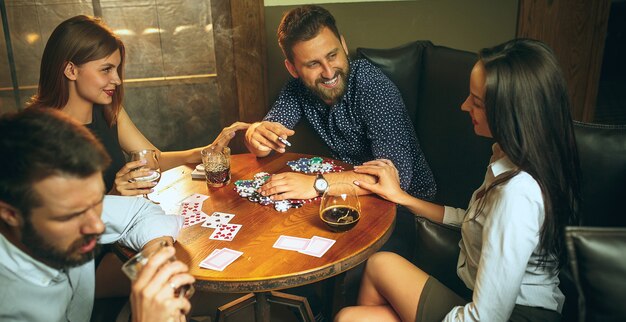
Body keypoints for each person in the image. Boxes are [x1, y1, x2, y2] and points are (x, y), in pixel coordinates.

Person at [334, 39, 581, 322]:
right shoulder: (510, 154)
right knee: (361, 297)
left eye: (476, 102)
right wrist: (401, 196)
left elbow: (486, 318)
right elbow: (473, 222)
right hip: (479, 297)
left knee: (355, 308)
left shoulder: (518, 194)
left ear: (509, 112)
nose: (464, 106)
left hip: (515, 315)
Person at [0, 108, 194, 322]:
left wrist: (154, 262)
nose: (98, 227)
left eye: (96, 203)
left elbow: (141, 210)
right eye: (71, 216)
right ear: (10, 214)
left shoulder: (65, 205)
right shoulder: (10, 309)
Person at [28, 14, 249, 197]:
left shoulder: (109, 112)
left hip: (123, 230)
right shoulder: (35, 134)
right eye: (106, 69)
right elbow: (50, 225)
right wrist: (115, 195)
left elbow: (153, 159)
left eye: (117, 69)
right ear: (71, 70)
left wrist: (206, 152)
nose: (117, 80)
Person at [245, 5, 435, 202]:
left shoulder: (374, 87)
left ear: (343, 45)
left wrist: (315, 184)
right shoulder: (296, 88)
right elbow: (268, 138)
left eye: (332, 55)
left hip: (406, 208)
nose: (328, 72)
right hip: (350, 196)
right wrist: (255, 135)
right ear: (293, 69)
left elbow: (395, 179)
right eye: (313, 64)